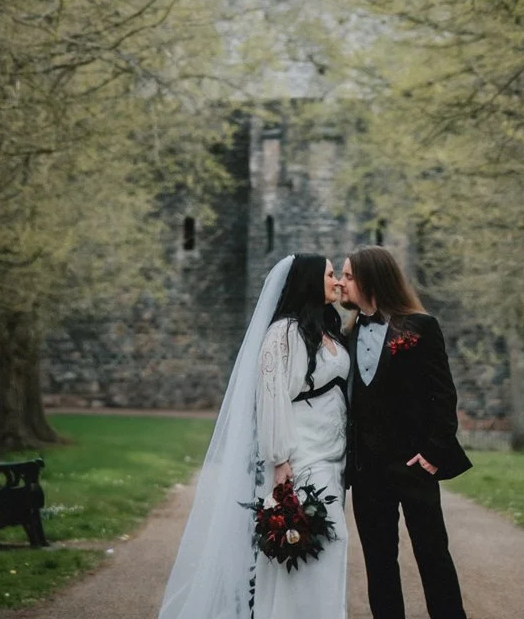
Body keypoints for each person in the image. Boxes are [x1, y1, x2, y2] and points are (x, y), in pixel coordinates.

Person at [158, 251, 350, 619]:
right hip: (301, 455)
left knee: (327, 547)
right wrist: (280, 460)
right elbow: (273, 397)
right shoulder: (283, 333)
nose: (337, 281)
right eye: (330, 275)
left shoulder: (326, 329)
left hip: (333, 453)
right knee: (316, 544)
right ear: (310, 281)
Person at [340, 246, 471, 619]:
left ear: (371, 279)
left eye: (349, 276)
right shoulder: (347, 333)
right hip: (367, 473)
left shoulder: (420, 327)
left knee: (433, 555)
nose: (342, 283)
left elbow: (443, 396)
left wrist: (433, 452)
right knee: (379, 563)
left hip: (413, 464)